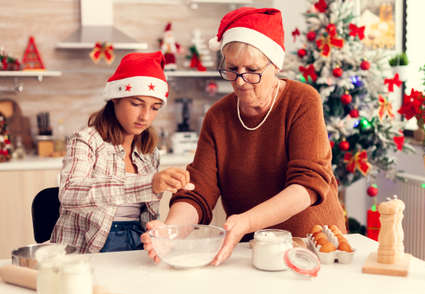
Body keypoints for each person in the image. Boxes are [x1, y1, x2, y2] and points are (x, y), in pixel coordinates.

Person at [141, 7, 346, 265]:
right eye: (232, 69)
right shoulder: (218, 116)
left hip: (313, 246)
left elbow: (307, 185)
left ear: (274, 65)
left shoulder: (302, 101)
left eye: (252, 69)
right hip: (255, 249)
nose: (240, 81)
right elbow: (198, 191)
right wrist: (170, 232)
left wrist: (247, 220)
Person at [50, 51, 191, 253]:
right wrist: (149, 183)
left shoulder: (149, 152)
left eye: (155, 107)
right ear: (115, 98)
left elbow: (147, 217)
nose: (145, 116)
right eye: (136, 103)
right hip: (89, 249)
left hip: (137, 241)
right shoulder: (86, 140)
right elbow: (70, 193)